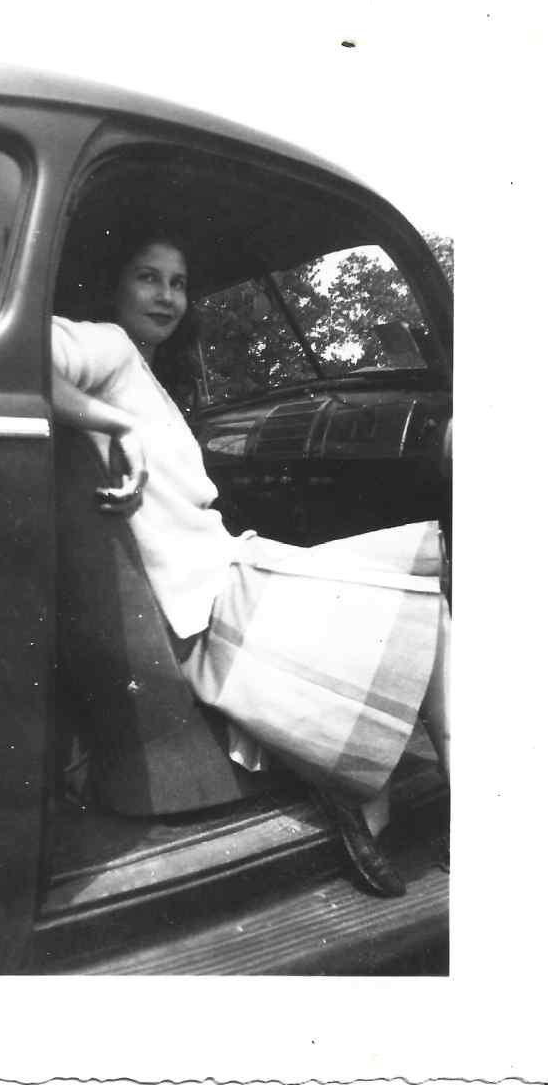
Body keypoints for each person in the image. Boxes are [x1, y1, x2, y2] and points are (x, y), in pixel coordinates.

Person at [50, 229, 451, 897]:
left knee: (420, 595)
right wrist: (118, 427)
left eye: (178, 283)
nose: (166, 295)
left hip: (230, 572)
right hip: (214, 602)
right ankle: (408, 801)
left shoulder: (140, 369)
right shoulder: (109, 346)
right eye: (148, 277)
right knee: (428, 607)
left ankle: (375, 790)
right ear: (114, 287)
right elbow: (10, 362)